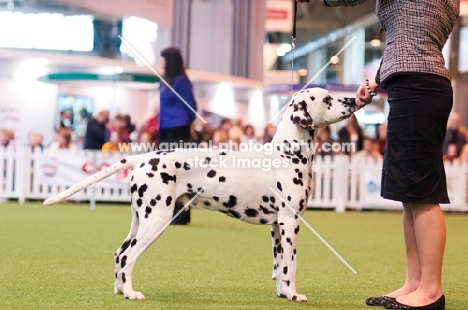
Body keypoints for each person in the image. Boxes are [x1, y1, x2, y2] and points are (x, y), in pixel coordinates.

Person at [294, 1, 461, 309]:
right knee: (410, 194)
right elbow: (410, 41)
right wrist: (377, 80)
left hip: (418, 88)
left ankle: (431, 290)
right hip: (415, 86)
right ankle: (415, 283)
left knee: (422, 193)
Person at [158, 47, 197, 147]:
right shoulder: (165, 80)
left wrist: (185, 122)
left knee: (175, 160)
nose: (161, 60)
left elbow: (191, 106)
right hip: (164, 126)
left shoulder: (181, 81)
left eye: (163, 58)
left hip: (178, 127)